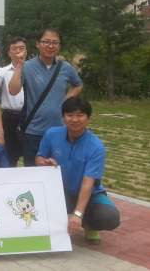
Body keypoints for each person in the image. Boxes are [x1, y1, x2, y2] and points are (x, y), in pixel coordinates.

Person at [36, 97, 120, 245]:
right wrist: (44, 164)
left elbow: (88, 184)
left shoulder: (96, 147)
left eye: (80, 115)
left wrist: (78, 214)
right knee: (36, 205)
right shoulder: (51, 134)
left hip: (90, 194)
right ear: (63, 117)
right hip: (60, 191)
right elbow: (39, 157)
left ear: (89, 119)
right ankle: (62, 224)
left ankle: (87, 224)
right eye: (70, 115)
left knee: (110, 217)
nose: (74, 120)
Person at [9, 29, 83, 167]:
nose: (50, 46)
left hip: (59, 130)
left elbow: (78, 84)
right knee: (32, 171)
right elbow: (13, 91)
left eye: (55, 43)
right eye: (46, 42)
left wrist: (66, 100)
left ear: (59, 46)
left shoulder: (65, 67)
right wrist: (19, 66)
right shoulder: (27, 66)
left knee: (58, 170)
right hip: (33, 131)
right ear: (38, 44)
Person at [0, 37, 27, 167]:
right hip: (10, 117)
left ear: (26, 51)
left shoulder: (33, 69)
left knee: (31, 154)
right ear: (9, 53)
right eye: (14, 49)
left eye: (21, 48)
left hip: (30, 117)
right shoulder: (4, 71)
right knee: (10, 156)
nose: (18, 51)